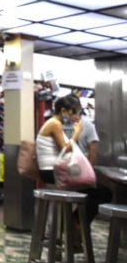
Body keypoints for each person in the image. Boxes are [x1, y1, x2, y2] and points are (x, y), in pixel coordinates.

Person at [36, 95, 110, 234]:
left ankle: (74, 223)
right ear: (64, 111)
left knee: (99, 192)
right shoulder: (54, 124)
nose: (76, 116)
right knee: (102, 193)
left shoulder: (54, 123)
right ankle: (75, 224)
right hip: (51, 172)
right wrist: (76, 132)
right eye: (74, 112)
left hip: (54, 171)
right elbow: (66, 148)